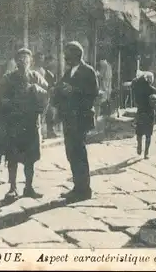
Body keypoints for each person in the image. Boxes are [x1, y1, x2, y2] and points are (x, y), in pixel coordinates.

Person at [0, 48, 49, 200]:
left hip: (31, 123)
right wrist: (6, 102)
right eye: (20, 59)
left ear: (30, 61)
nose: (23, 62)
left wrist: (37, 91)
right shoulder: (8, 78)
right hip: (14, 124)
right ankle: (12, 188)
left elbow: (47, 94)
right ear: (16, 62)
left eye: (26, 59)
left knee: (30, 159)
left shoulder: (36, 77)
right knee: (12, 157)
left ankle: (29, 187)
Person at [51, 41, 98, 201]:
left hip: (81, 119)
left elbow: (93, 93)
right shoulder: (69, 72)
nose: (65, 58)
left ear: (77, 55)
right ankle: (78, 187)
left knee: (79, 152)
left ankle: (84, 189)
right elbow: (59, 89)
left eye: (68, 55)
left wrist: (74, 91)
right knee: (71, 152)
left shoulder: (88, 71)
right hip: (69, 118)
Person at [131, 71, 156, 159]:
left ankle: (139, 146)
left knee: (139, 133)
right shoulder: (151, 89)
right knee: (148, 134)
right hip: (150, 113)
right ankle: (146, 153)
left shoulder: (137, 88)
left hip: (140, 112)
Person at [44, 55, 59, 139]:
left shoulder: (52, 73)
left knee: (52, 113)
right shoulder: (45, 72)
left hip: (52, 95)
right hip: (47, 94)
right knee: (48, 113)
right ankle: (49, 132)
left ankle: (51, 131)